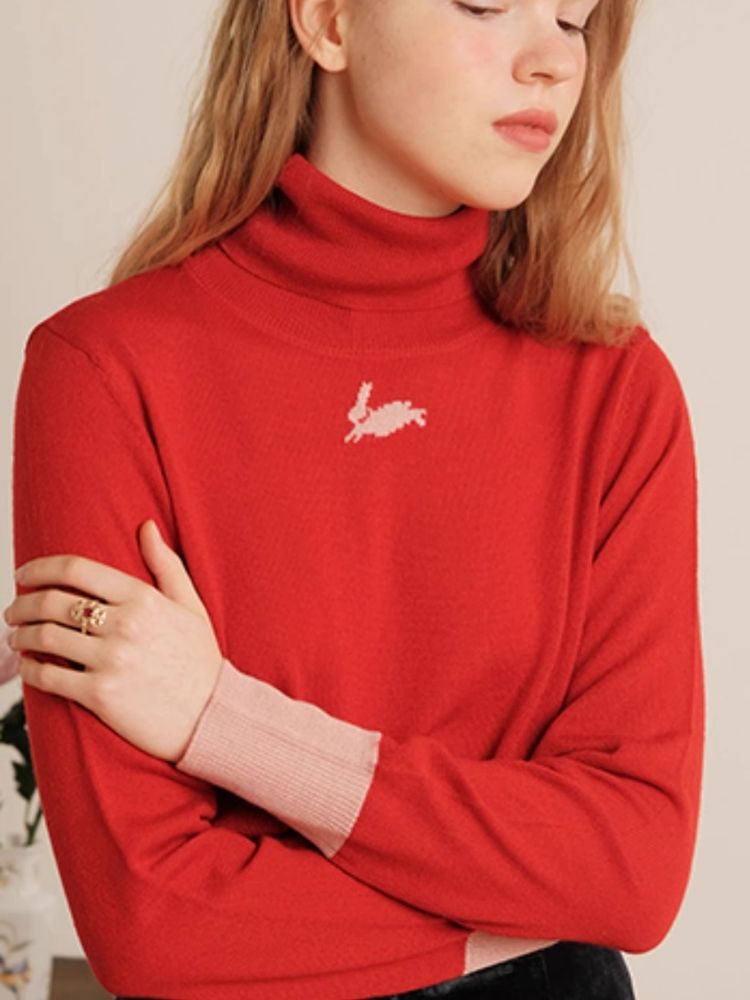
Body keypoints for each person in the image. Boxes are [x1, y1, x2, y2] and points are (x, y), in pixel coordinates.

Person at [2, 0, 704, 997]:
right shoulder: (103, 372)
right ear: (328, 20)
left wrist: (224, 718)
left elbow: (633, 870)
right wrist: (522, 910)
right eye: (487, 3)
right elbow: (150, 928)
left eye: (573, 18)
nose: (552, 61)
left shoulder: (618, 391)